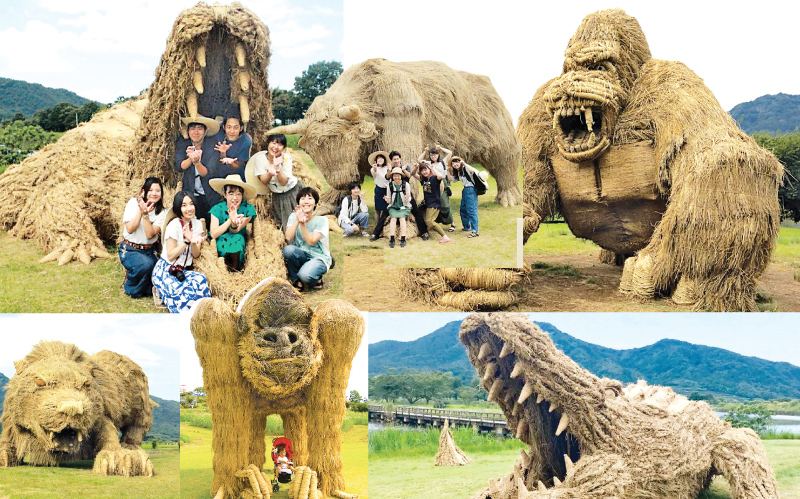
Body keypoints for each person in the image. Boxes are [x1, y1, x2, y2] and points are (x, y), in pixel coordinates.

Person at [151, 191, 212, 313]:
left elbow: (196, 254)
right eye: (184, 205)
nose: (189, 208)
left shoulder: (197, 224)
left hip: (183, 270)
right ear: (179, 208)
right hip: (166, 269)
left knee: (201, 281)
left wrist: (194, 242)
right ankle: (159, 292)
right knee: (180, 293)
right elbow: (171, 255)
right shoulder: (174, 225)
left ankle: (203, 315)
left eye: (191, 204)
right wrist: (186, 241)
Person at [119, 177, 168, 298]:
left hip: (150, 250)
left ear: (161, 194)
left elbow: (150, 234)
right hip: (130, 249)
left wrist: (146, 215)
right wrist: (141, 212)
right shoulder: (132, 204)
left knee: (159, 270)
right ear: (143, 192)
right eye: (150, 190)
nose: (154, 193)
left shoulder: (162, 212)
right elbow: (130, 229)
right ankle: (130, 287)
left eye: (157, 190)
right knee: (146, 265)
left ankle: (145, 287)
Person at [174, 115, 223, 229]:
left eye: (200, 128)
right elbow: (179, 166)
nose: (196, 132)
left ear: (205, 131)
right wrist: (190, 159)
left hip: (209, 194)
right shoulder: (182, 143)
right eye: (193, 128)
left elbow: (207, 173)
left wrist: (196, 162)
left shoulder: (211, 146)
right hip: (190, 192)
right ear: (188, 130)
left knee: (211, 225)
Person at [247, 133, 303, 229]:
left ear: (283, 148)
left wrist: (276, 168)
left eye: (280, 144)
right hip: (278, 195)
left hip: (293, 191)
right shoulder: (260, 159)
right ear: (268, 144)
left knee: (300, 219)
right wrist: (270, 173)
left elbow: (283, 182)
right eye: (273, 143)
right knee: (285, 224)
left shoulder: (286, 158)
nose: (276, 147)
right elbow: (264, 180)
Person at [369, 150, 429, 241]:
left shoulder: (405, 167)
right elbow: (387, 177)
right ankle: (376, 234)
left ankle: (424, 232)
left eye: (397, 159)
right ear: (392, 160)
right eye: (394, 159)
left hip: (406, 192)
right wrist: (389, 170)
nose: (396, 161)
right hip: (393, 193)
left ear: (400, 159)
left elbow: (409, 176)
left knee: (416, 211)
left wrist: (404, 170)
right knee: (385, 212)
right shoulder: (391, 168)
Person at [282, 187, 332, 290]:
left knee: (305, 275)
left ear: (315, 203)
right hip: (301, 254)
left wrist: (302, 223)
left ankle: (316, 277)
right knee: (288, 250)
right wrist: (297, 219)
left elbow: (311, 241)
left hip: (318, 256)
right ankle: (296, 280)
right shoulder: (293, 216)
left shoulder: (322, 220)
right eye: (303, 198)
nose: (306, 201)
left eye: (310, 198)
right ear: (299, 202)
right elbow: (288, 237)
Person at [208, 174, 257, 272]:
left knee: (237, 240)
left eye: (238, 194)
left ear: (242, 195)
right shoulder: (217, 209)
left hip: (238, 236)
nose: (235, 198)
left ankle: (235, 270)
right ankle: (223, 270)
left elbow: (235, 230)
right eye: (231, 193)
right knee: (223, 244)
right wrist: (230, 220)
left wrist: (234, 224)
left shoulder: (248, 209)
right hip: (221, 238)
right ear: (225, 195)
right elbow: (213, 234)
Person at [418, 143, 456, 232]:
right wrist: (425, 151)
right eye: (431, 155)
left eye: (435, 154)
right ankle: (433, 223)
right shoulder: (428, 163)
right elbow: (419, 160)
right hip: (432, 184)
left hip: (442, 183)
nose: (433, 156)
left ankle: (452, 223)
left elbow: (450, 153)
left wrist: (440, 148)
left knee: (445, 205)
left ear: (438, 155)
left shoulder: (443, 162)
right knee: (434, 204)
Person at [412, 161, 452, 243]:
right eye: (422, 170)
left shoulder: (434, 178)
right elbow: (413, 174)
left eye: (425, 169)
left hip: (434, 203)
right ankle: (428, 230)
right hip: (428, 203)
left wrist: (432, 169)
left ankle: (445, 237)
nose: (424, 172)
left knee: (429, 221)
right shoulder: (424, 180)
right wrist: (416, 167)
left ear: (429, 170)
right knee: (427, 219)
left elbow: (440, 176)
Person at [450, 156, 481, 237]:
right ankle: (467, 227)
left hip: (471, 189)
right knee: (463, 210)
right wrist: (447, 169)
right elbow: (451, 180)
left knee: (471, 210)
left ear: (460, 162)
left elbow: (473, 171)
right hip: (465, 190)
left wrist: (464, 164)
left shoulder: (465, 168)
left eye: (456, 162)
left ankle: (475, 231)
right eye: (453, 163)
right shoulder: (458, 171)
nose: (455, 164)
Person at [214, 116, 252, 181]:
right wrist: (223, 153)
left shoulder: (245, 141)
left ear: (241, 128)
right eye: (229, 127)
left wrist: (230, 162)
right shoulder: (217, 136)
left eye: (235, 127)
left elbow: (237, 166)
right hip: (217, 174)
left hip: (236, 176)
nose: (232, 131)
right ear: (224, 127)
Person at [384, 166, 412, 248]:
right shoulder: (390, 185)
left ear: (401, 176)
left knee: (402, 219)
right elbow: (389, 199)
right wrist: (387, 199)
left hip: (404, 206)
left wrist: (408, 198)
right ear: (392, 176)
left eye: (398, 175)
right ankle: (392, 238)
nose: (396, 177)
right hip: (393, 206)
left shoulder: (406, 185)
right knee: (393, 219)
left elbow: (409, 198)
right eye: (395, 175)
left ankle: (403, 238)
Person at [369, 151, 390, 225]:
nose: (380, 160)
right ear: (376, 160)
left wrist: (389, 169)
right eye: (378, 158)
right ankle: (376, 226)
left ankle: (385, 225)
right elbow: (375, 172)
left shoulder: (387, 168)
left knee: (387, 209)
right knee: (378, 209)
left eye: (382, 158)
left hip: (387, 190)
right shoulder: (373, 169)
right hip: (379, 190)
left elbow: (388, 177)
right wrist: (375, 168)